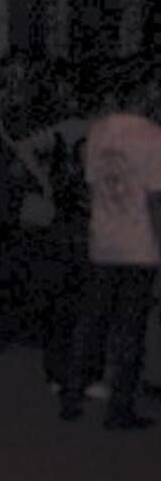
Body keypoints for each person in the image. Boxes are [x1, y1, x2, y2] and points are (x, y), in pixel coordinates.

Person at [60, 81, 161, 428]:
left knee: (92, 322)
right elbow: (154, 198)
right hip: (139, 243)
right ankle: (119, 408)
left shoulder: (99, 132)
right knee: (130, 328)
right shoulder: (152, 136)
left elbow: (91, 185)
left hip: (104, 240)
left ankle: (72, 394)